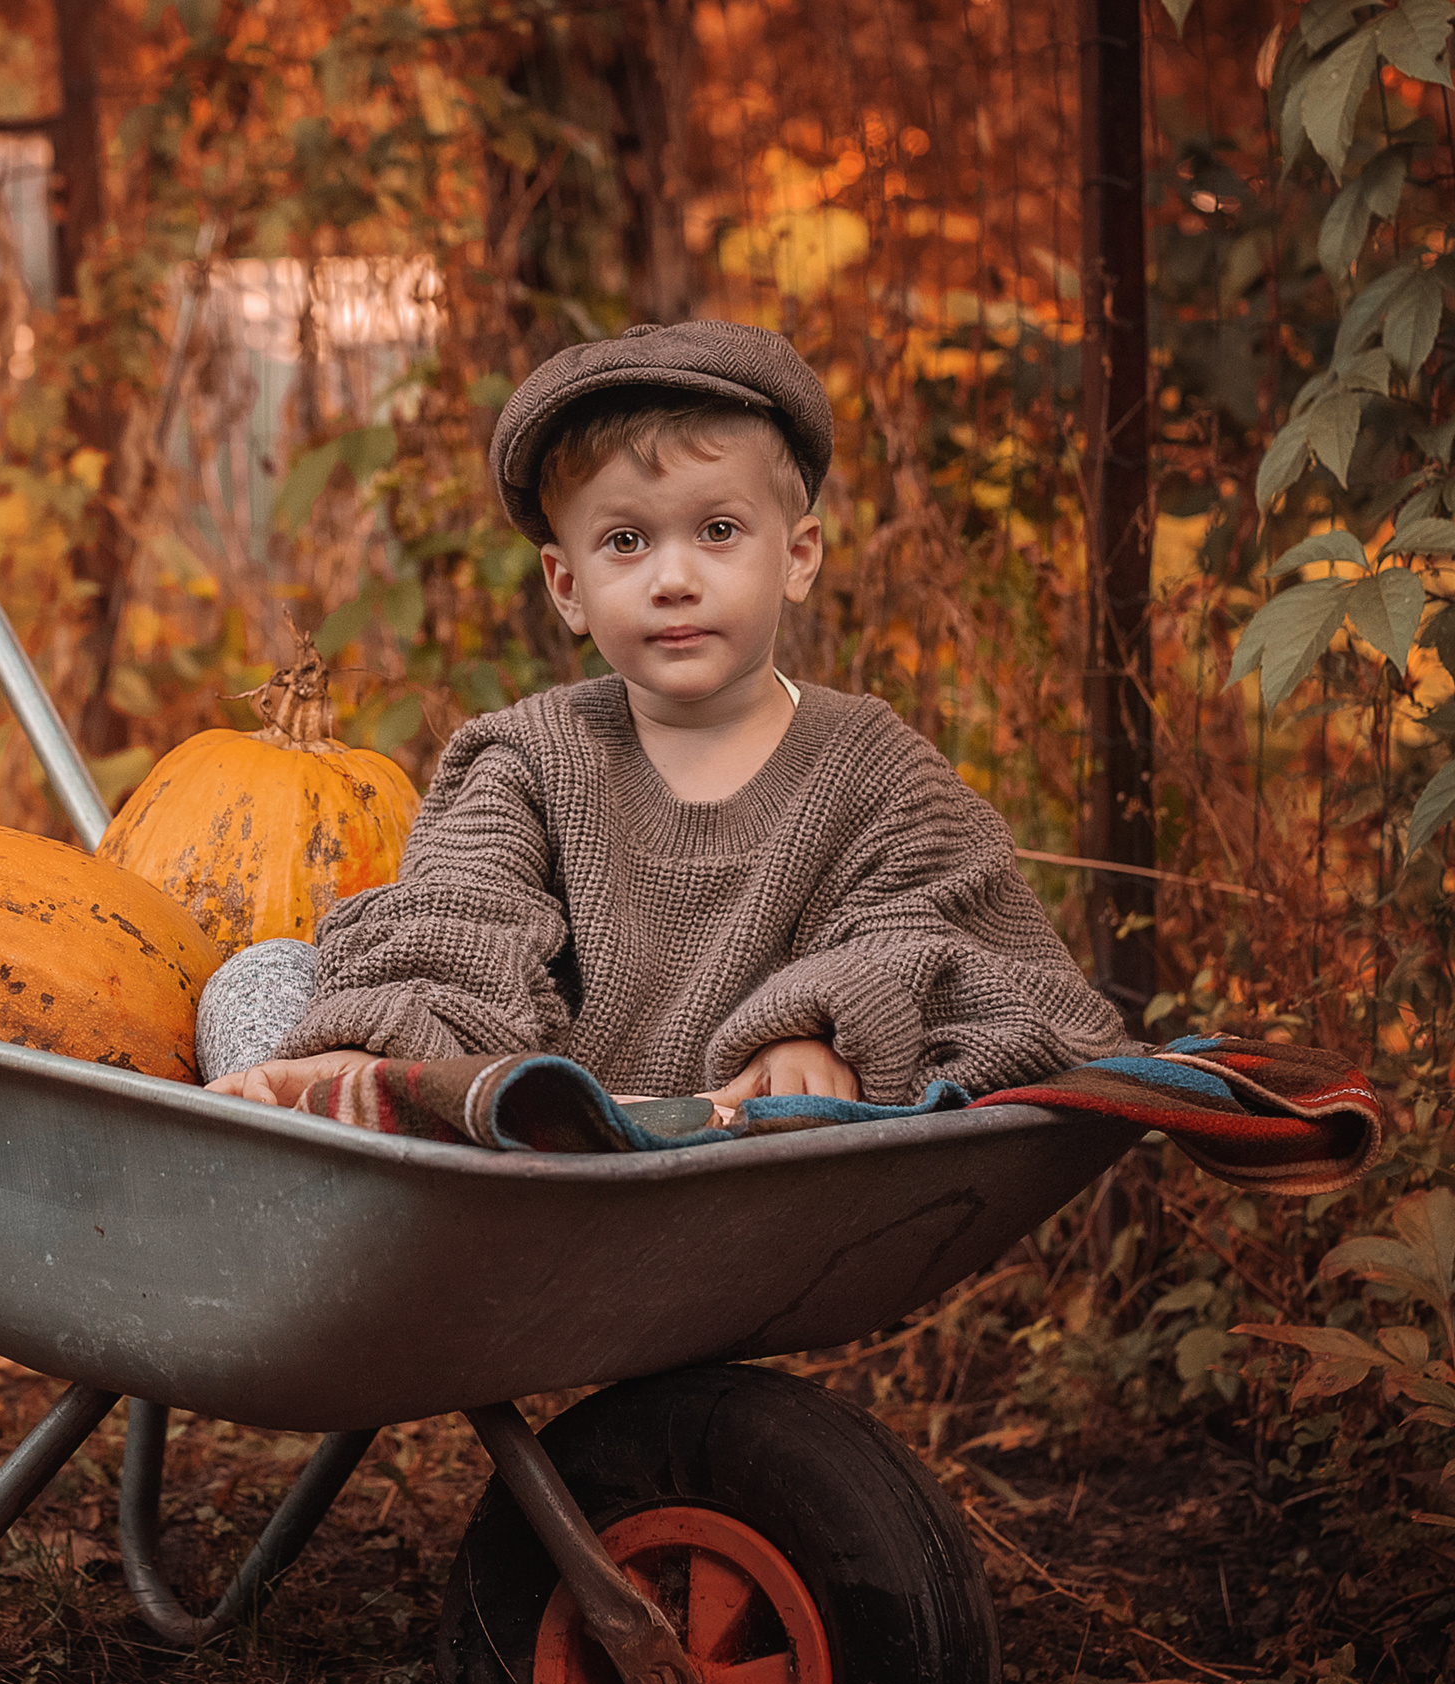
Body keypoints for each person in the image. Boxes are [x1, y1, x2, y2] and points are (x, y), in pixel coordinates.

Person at [198, 319, 1129, 1117]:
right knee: (264, 973)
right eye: (625, 541)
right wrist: (384, 1045)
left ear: (798, 556)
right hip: (540, 1134)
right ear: (568, 585)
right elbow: (461, 923)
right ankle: (350, 1111)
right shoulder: (526, 759)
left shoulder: (874, 771)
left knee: (944, 1002)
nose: (673, 578)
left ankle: (370, 1110)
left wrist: (831, 1028)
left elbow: (954, 948)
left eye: (718, 531)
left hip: (746, 1151)